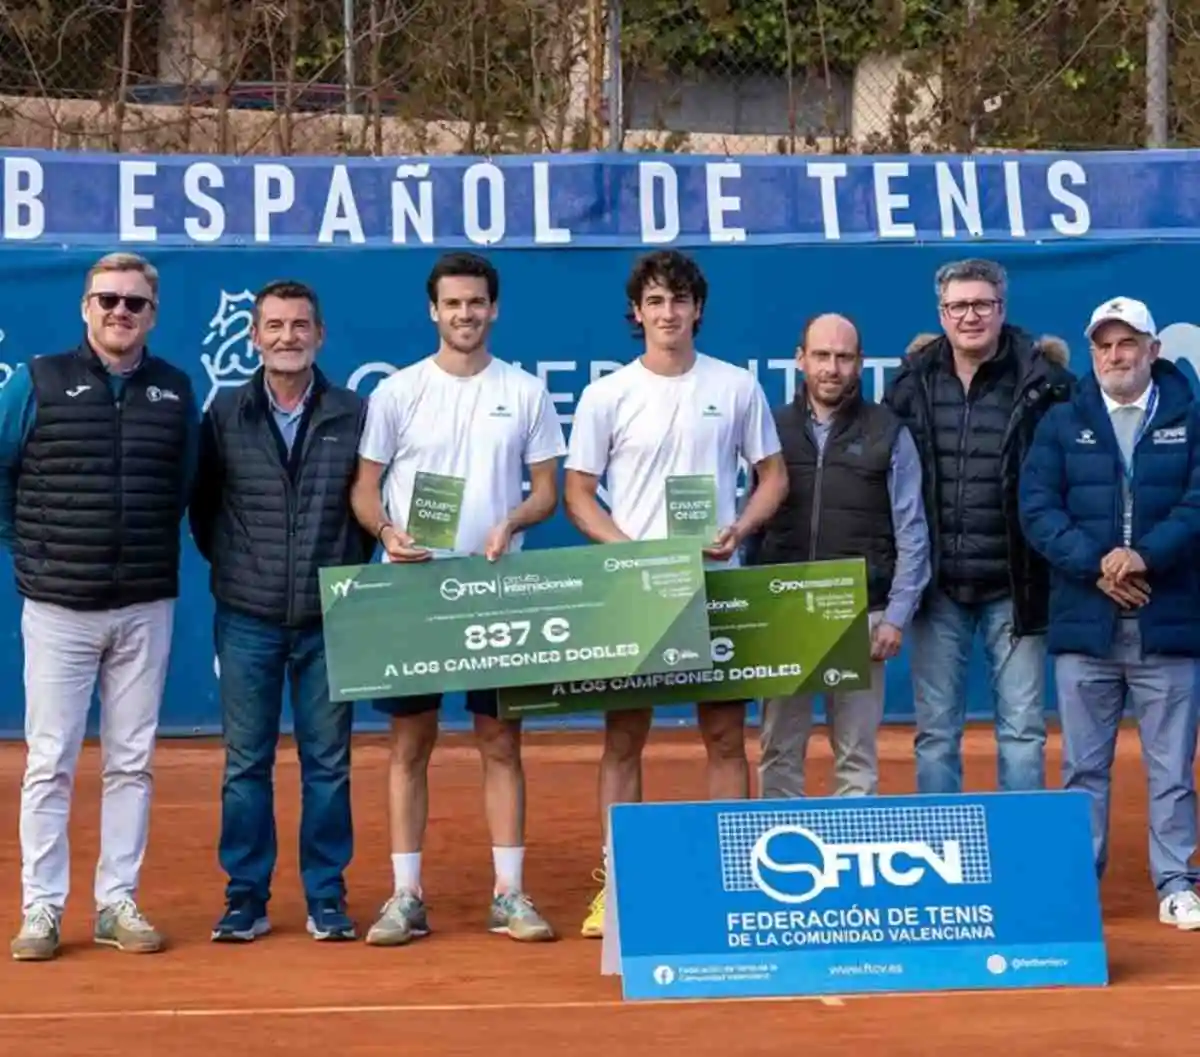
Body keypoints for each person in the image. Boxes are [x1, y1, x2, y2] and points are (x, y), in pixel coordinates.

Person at [565, 249, 789, 939]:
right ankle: (619, 886)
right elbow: (578, 494)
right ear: (638, 312)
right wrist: (627, 551)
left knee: (724, 736)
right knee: (624, 737)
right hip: (634, 589)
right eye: (655, 302)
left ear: (698, 309)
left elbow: (772, 477)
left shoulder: (737, 386)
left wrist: (740, 527)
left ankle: (735, 879)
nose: (668, 313)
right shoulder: (608, 394)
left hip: (716, 585)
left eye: (680, 300)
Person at [349, 251, 567, 946]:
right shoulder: (397, 392)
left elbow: (546, 492)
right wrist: (386, 528)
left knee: (501, 742)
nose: (465, 314)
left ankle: (509, 892)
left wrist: (512, 522)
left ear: (493, 309)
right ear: (433, 311)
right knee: (409, 743)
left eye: (476, 303)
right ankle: (405, 895)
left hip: (495, 591)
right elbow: (364, 487)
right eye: (453, 304)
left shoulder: (526, 392)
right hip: (411, 588)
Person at [0, 252, 199, 961]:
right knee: (49, 760)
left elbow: (181, 485)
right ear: (85, 308)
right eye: (108, 300)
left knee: (131, 760)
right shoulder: (36, 380)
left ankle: (117, 900)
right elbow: (3, 471)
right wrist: (33, 550)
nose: (120, 312)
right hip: (59, 606)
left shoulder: (175, 389)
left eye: (134, 303)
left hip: (144, 604)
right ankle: (42, 909)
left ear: (153, 314)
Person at [189, 279, 374, 944]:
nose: (287, 336)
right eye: (274, 325)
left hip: (332, 616)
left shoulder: (353, 413)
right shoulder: (224, 414)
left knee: (329, 762)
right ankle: (246, 896)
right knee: (246, 763)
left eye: (300, 325)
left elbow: (370, 507)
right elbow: (205, 510)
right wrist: (244, 570)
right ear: (254, 337)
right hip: (248, 617)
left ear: (319, 335)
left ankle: (326, 894)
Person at [1019, 296, 1200, 928]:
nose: (1115, 356)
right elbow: (1038, 509)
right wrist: (1102, 564)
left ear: (1153, 350)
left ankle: (1177, 882)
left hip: (1167, 621)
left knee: (1171, 768)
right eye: (1103, 346)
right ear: (1091, 353)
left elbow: (1197, 506)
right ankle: (1077, 886)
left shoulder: (1192, 419)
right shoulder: (1061, 423)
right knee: (1082, 768)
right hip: (1085, 624)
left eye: (1127, 344)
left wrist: (1142, 557)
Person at [883, 258, 1073, 795]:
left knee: (1022, 733)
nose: (971, 316)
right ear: (941, 313)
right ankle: (946, 855)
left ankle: (1021, 858)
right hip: (937, 587)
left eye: (981, 304)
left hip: (1017, 584)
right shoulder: (910, 383)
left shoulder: (1048, 384)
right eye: (959, 306)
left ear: (1001, 309)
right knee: (937, 734)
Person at [747, 313, 931, 799]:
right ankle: (780, 856)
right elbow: (743, 522)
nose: (832, 368)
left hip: (861, 615)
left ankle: (851, 864)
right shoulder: (769, 429)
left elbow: (912, 532)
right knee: (779, 749)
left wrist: (894, 617)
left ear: (860, 364)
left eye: (843, 357)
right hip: (782, 617)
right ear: (800, 359)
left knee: (855, 753)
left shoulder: (889, 432)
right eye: (822, 356)